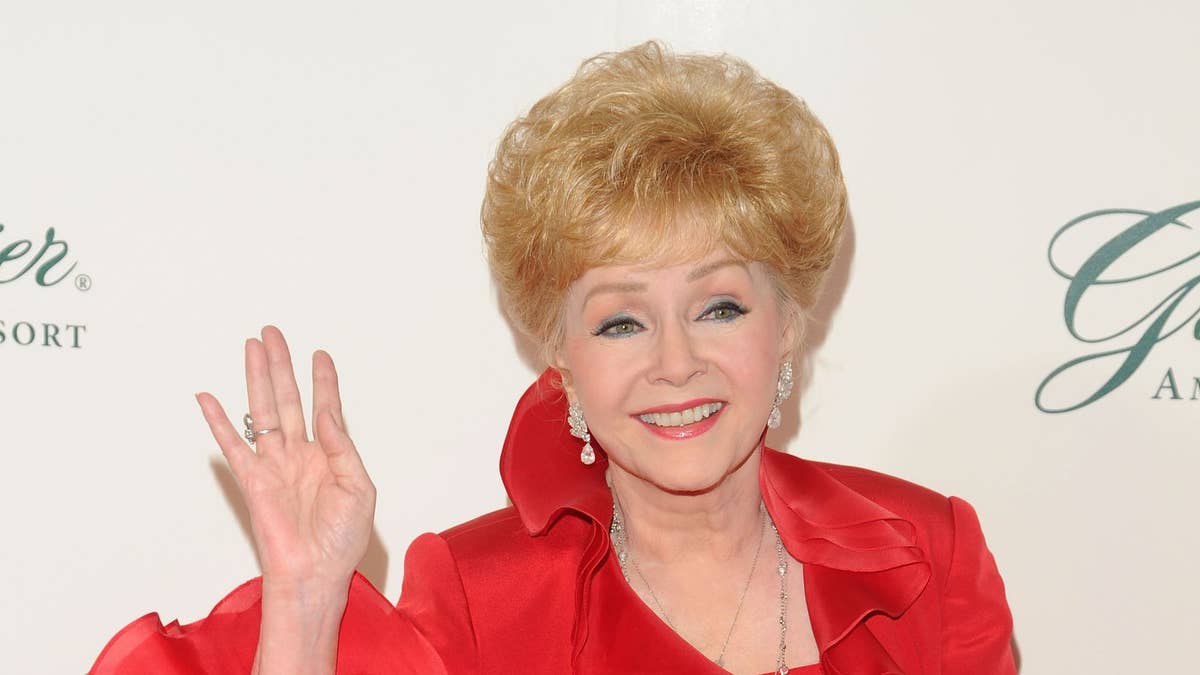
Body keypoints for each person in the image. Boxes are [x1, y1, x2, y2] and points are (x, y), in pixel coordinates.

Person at [91, 42, 1015, 675]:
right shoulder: (487, 594)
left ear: (789, 326)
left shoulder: (928, 554)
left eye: (719, 306)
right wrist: (301, 600)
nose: (676, 362)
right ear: (561, 360)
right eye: (621, 323)